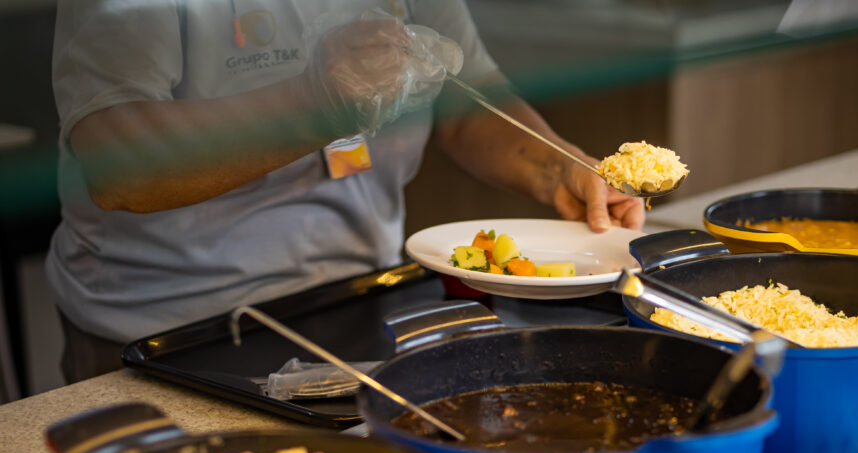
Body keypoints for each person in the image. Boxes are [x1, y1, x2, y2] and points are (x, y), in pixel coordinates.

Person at [47, 0, 645, 383]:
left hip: (368, 301)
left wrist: (556, 166)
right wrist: (314, 105)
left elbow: (465, 97)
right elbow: (120, 167)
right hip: (168, 333)